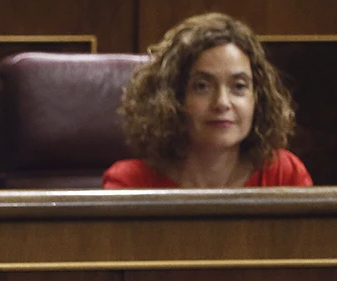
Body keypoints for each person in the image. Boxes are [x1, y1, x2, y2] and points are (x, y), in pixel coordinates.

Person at [104, 12, 311, 188]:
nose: (222, 102)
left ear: (257, 98)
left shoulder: (285, 176)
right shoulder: (131, 183)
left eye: (238, 87)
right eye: (202, 86)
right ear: (172, 97)